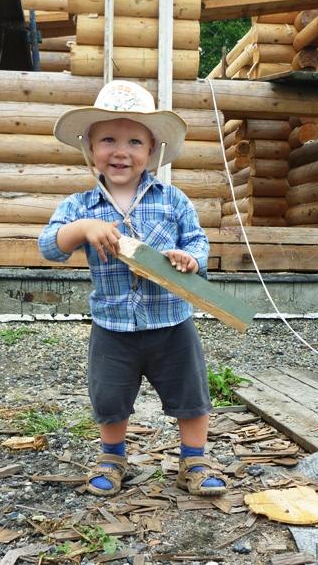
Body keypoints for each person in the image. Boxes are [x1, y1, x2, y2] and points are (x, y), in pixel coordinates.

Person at [38, 80, 226, 497]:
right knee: (110, 397)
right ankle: (112, 457)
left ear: (152, 150)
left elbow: (198, 242)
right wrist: (84, 229)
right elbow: (49, 246)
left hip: (171, 322)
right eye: (108, 139)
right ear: (90, 148)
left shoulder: (172, 200)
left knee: (190, 394)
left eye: (134, 142)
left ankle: (194, 460)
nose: (120, 151)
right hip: (113, 326)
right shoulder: (80, 207)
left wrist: (190, 259)